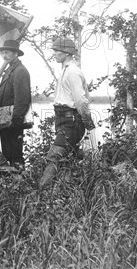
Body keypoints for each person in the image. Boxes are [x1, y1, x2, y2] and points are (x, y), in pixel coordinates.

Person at [39, 37, 96, 189]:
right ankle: (70, 191)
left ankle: (41, 193)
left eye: (57, 50)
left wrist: (87, 121)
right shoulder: (65, 70)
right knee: (69, 156)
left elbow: (81, 100)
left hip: (71, 121)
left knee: (55, 156)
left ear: (67, 53)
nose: (54, 53)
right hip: (63, 119)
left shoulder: (73, 72)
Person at [0, 39, 32, 169]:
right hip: (6, 119)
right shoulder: (11, 69)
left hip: (14, 120)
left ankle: (20, 183)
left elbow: (22, 99)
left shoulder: (20, 71)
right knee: (7, 153)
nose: (4, 55)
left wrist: (15, 121)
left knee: (15, 155)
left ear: (15, 53)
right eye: (2, 53)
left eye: (6, 52)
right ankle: (11, 184)